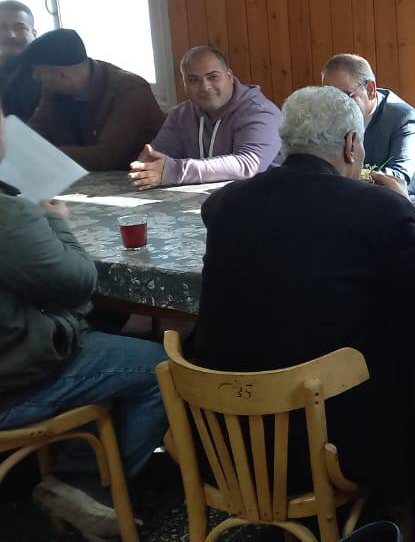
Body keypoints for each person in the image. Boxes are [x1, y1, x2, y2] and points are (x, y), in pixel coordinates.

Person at [194, 86, 415, 534]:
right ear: (351, 144)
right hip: (324, 438)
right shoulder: (374, 208)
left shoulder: (225, 203)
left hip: (227, 433)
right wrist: (410, 208)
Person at [0, 102, 167, 540]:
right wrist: (55, 221)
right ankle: (85, 484)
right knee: (161, 369)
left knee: (104, 333)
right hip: (13, 384)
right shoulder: (8, 215)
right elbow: (77, 282)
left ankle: (78, 461)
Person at [128, 46, 282, 190]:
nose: (205, 87)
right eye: (193, 80)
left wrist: (176, 171)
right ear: (184, 83)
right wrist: (146, 169)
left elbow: (248, 165)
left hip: (265, 201)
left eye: (213, 77)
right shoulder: (181, 115)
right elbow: (151, 159)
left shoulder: (260, 112)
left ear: (229, 76)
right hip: (206, 202)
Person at [23, 29, 164, 171]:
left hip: (133, 178)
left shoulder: (129, 89)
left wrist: (46, 154)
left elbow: (107, 157)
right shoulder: (54, 91)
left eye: (37, 71)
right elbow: (33, 134)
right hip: (80, 175)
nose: (35, 77)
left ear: (62, 75)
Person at [321, 53, 415, 194]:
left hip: (395, 201)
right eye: (328, 97)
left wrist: (347, 174)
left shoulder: (404, 118)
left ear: (370, 90)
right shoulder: (325, 115)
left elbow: (400, 177)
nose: (334, 106)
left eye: (343, 97)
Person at [0, 0, 41, 121]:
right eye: (2, 27)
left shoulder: (47, 74)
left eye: (19, 27)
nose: (10, 35)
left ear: (34, 34)